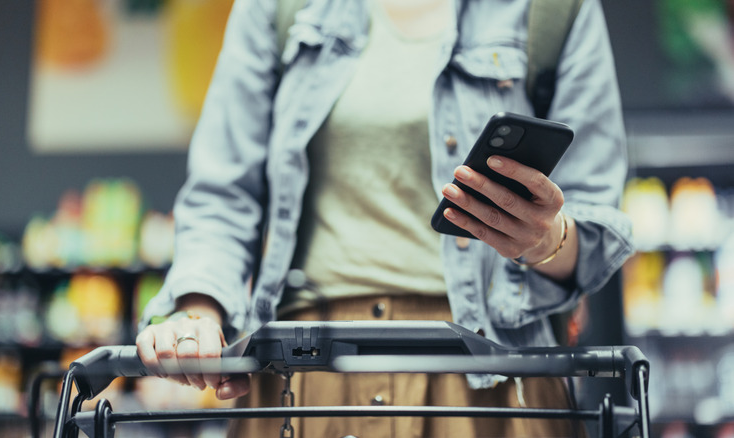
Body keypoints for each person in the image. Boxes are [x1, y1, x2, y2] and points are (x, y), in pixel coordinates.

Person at [136, 0, 634, 436]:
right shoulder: (277, 8)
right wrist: (197, 313)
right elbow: (223, 192)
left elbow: (592, 223)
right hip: (306, 378)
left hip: (490, 380)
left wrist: (544, 237)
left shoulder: (552, 9)